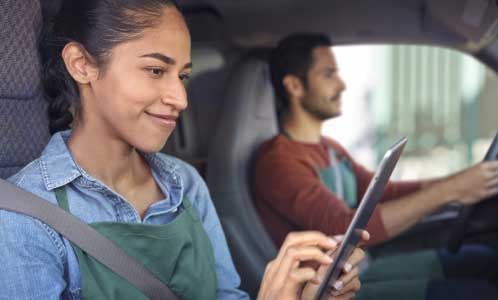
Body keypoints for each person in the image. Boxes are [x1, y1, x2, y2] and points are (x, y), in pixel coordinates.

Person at [0, 3, 367, 300]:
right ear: (82, 65)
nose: (180, 98)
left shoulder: (184, 184)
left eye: (182, 76)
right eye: (156, 70)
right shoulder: (24, 219)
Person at [254, 32, 498, 247]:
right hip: (331, 289)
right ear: (294, 86)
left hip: (359, 269)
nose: (341, 85)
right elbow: (344, 228)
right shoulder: (277, 162)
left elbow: (381, 193)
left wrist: (459, 181)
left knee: (478, 261)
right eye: (329, 74)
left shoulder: (330, 148)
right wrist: (450, 190)